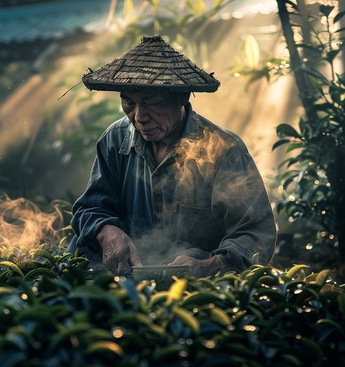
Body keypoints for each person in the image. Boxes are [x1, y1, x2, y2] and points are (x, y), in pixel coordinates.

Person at [69, 35, 276, 278]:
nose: (139, 117)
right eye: (129, 102)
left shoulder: (223, 150)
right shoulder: (114, 141)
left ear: (182, 97)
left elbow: (255, 234)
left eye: (151, 101)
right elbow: (90, 209)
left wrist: (210, 265)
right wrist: (106, 231)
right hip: (124, 281)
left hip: (199, 290)